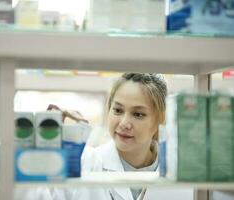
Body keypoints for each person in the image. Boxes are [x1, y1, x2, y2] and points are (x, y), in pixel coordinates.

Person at [15, 73, 167, 200]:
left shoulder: (177, 171)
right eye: (118, 110)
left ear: (159, 120)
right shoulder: (84, 162)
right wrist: (44, 150)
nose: (124, 123)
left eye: (138, 114)